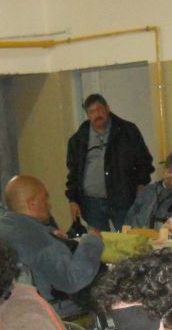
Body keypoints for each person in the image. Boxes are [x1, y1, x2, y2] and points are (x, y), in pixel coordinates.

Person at [0, 174, 103, 306]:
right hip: (41, 309)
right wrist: (91, 241)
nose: (49, 205)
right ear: (32, 204)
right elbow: (72, 280)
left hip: (1, 306)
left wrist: (48, 232)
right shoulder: (43, 242)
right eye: (45, 198)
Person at [66, 94, 154, 232]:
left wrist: (141, 184)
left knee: (128, 239)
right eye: (92, 112)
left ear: (107, 108)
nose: (97, 115)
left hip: (123, 200)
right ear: (88, 115)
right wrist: (73, 200)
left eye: (100, 109)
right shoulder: (78, 140)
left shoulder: (128, 131)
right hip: (92, 203)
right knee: (98, 242)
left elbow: (144, 161)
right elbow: (73, 172)